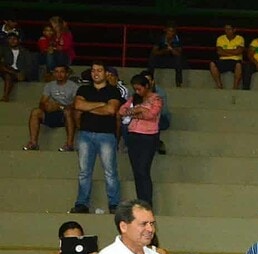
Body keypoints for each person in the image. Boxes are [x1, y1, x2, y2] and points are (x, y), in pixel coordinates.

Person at [70, 62, 124, 214]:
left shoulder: (113, 91)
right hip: (85, 134)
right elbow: (78, 105)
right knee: (84, 171)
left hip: (106, 135)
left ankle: (114, 204)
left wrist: (89, 106)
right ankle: (82, 203)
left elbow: (111, 110)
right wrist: (101, 104)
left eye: (99, 70)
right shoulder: (83, 88)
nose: (96, 73)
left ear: (106, 73)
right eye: (93, 70)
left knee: (110, 171)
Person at [118, 74, 164, 207]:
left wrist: (136, 110)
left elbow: (151, 114)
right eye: (135, 89)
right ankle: (141, 200)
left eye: (139, 89)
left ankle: (147, 202)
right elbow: (122, 110)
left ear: (147, 86)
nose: (137, 92)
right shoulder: (134, 98)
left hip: (148, 137)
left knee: (143, 170)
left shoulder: (156, 99)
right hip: (133, 135)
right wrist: (138, 110)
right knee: (136, 170)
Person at [24, 64, 77, 152]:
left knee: (68, 112)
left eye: (62, 72)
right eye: (56, 72)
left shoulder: (74, 86)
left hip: (66, 114)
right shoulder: (49, 85)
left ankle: (69, 144)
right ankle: (33, 143)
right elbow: (41, 103)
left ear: (67, 74)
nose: (59, 74)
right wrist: (46, 106)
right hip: (52, 113)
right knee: (35, 111)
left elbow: (75, 105)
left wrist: (59, 107)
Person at [209, 24, 244, 90]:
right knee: (212, 64)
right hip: (223, 60)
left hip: (235, 60)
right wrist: (233, 51)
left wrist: (225, 51)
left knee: (239, 65)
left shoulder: (240, 38)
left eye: (229, 29)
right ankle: (219, 85)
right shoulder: (220, 38)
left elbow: (239, 51)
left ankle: (235, 87)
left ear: (234, 30)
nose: (227, 31)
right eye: (226, 29)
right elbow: (219, 52)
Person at [0, 32, 33, 102]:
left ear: (19, 40)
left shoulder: (25, 52)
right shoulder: (3, 49)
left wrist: (23, 73)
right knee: (6, 72)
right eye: (10, 39)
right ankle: (5, 96)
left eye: (14, 39)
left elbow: (29, 65)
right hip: (6, 70)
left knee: (9, 76)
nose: (12, 41)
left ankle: (5, 96)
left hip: (18, 72)